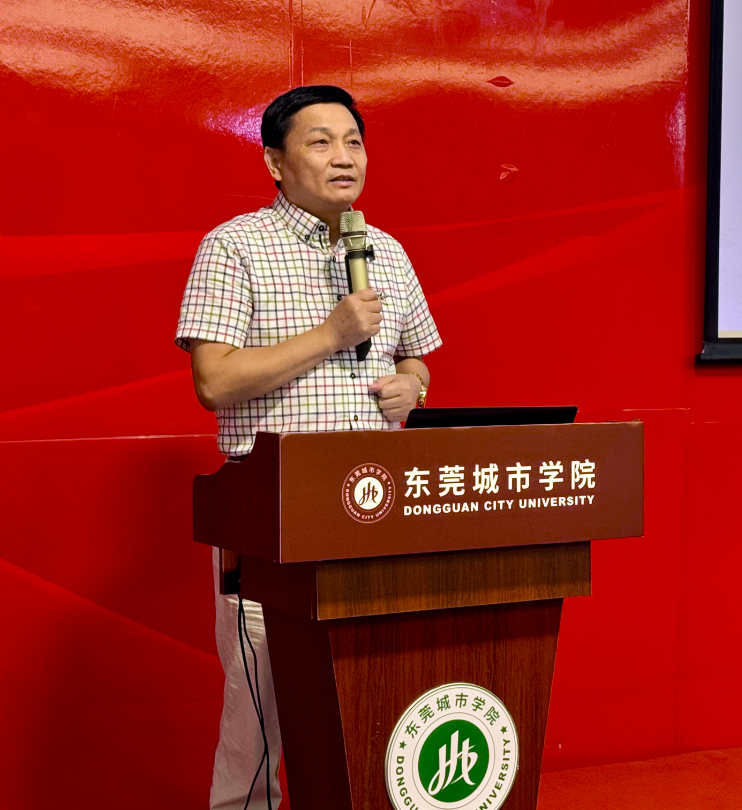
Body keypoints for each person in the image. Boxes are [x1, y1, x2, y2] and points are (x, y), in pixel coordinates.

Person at [174, 85, 441, 810]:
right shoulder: (234, 246)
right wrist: (332, 334)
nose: (343, 157)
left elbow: (417, 360)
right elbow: (213, 380)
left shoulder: (386, 252)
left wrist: (412, 388)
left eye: (353, 141)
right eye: (320, 142)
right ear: (274, 162)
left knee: (367, 696)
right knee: (259, 713)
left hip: (375, 509)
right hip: (274, 514)